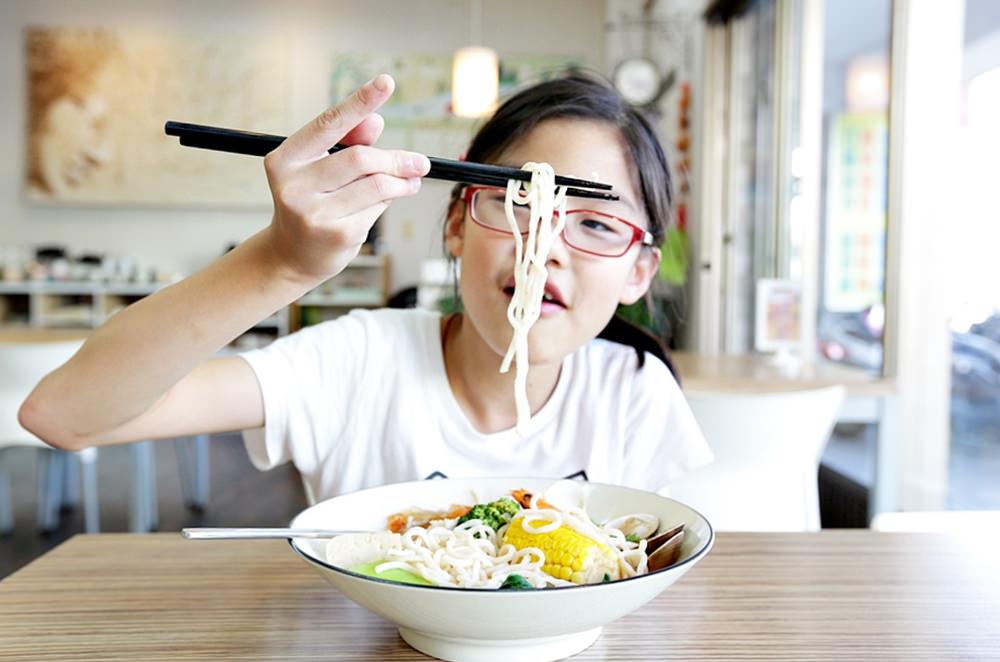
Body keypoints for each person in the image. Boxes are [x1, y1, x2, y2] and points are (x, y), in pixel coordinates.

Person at [20, 72, 711, 503]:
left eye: (594, 224)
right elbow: (64, 413)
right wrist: (280, 263)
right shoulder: (358, 364)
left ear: (640, 272)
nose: (546, 247)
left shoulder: (634, 393)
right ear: (455, 227)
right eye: (517, 201)